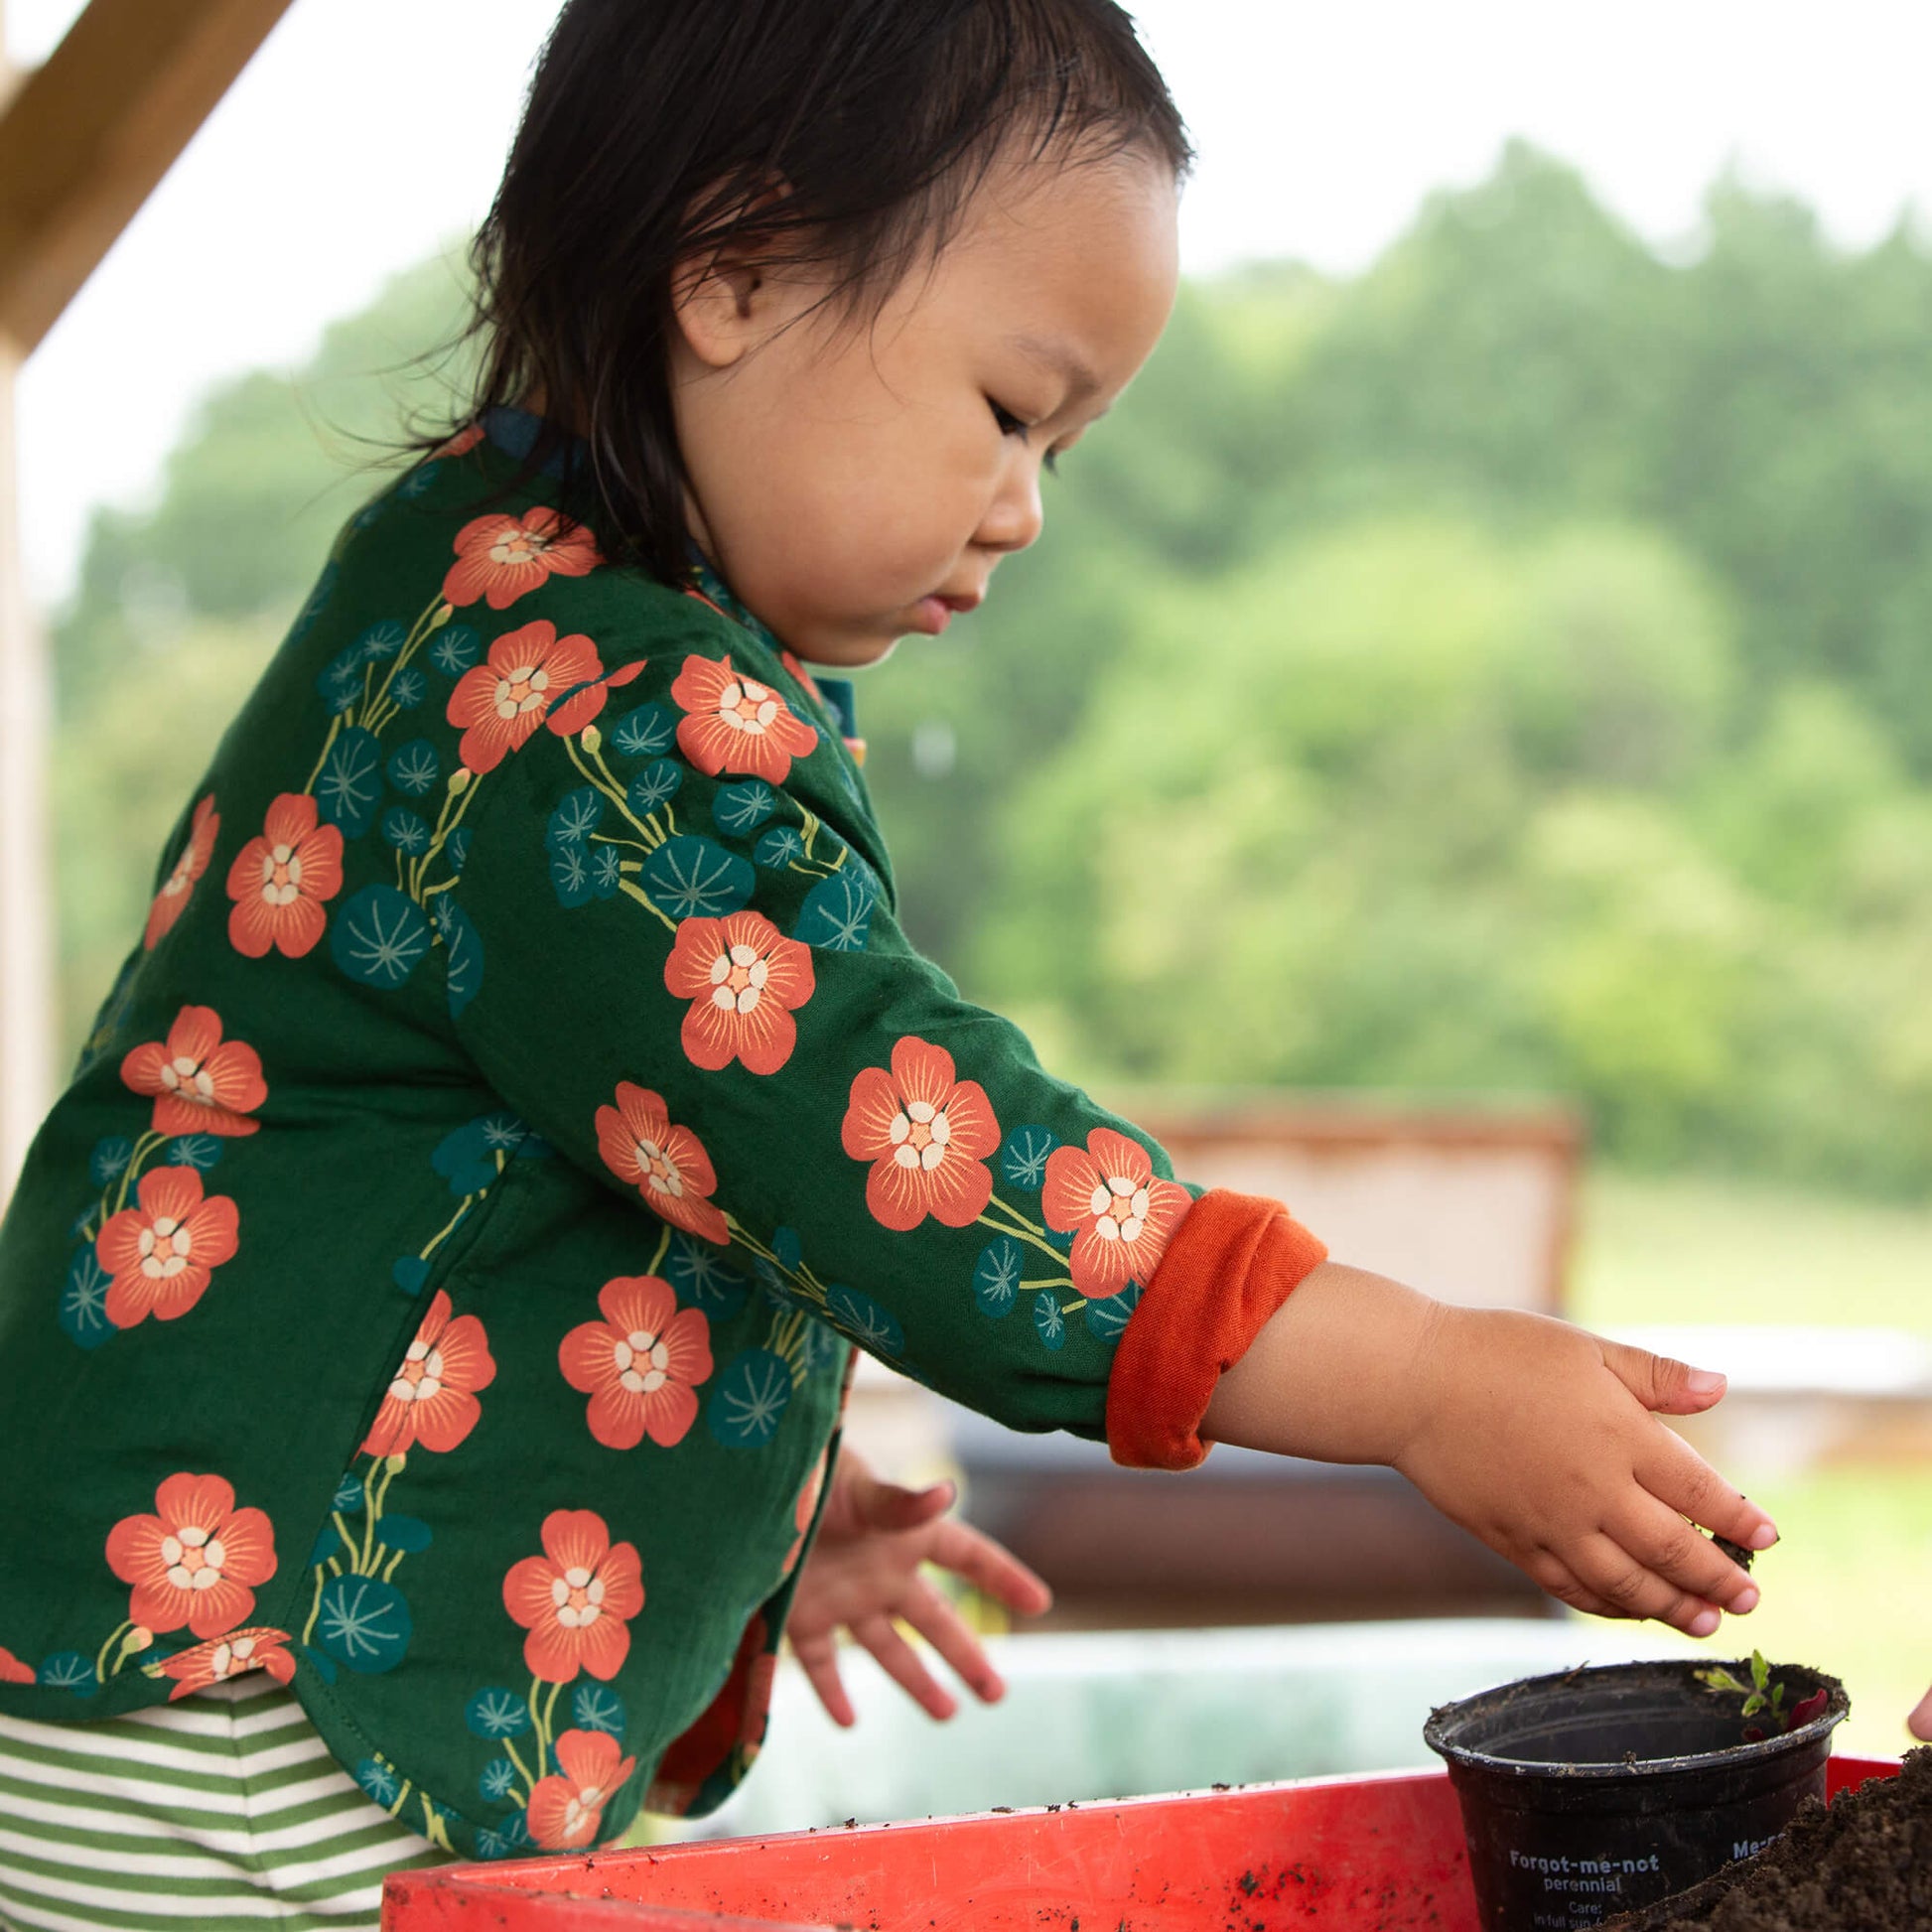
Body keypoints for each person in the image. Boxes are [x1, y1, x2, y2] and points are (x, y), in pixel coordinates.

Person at [0, 1, 1776, 1923]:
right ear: (739, 272)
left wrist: (727, 1486)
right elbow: (908, 1147)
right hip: (241, 1759)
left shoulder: (478, 578)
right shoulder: (593, 718)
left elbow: (499, 1178)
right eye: (1011, 411)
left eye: (1066, 448)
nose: (1022, 508)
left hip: (203, 1707)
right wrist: (1420, 1374)